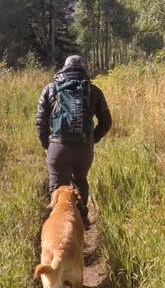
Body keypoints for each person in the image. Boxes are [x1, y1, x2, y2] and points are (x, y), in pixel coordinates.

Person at [36, 55, 112, 228]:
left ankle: (56, 229)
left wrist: (47, 145)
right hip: (84, 148)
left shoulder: (50, 88)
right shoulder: (93, 90)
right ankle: (82, 220)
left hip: (58, 146)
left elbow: (41, 121)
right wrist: (92, 139)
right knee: (80, 181)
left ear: (64, 68)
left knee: (57, 189)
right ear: (83, 69)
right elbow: (106, 122)